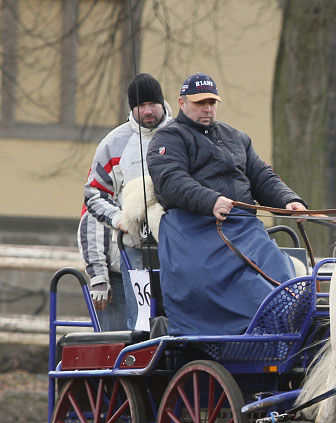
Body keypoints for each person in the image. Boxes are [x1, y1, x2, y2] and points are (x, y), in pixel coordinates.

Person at [147, 73, 307, 335]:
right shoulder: (168, 139)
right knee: (254, 293)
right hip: (197, 233)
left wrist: (289, 201)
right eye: (200, 103)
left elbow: (262, 177)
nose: (207, 109)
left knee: (283, 277)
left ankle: (297, 322)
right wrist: (210, 201)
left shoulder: (237, 137)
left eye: (212, 102)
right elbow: (171, 182)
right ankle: (270, 326)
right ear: (181, 103)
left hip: (246, 229)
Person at [79, 73, 174, 330]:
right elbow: (93, 197)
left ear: (162, 102)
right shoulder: (113, 144)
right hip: (132, 254)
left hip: (177, 249)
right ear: (132, 107)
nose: (148, 111)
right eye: (140, 105)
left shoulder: (182, 136)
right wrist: (119, 219)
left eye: (152, 104)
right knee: (140, 328)